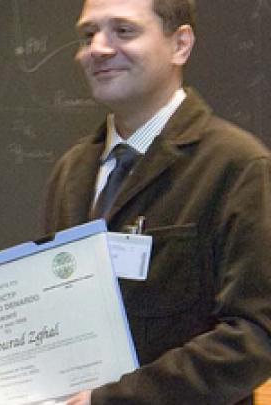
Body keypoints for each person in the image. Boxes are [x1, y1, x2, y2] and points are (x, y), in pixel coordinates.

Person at [49, 0, 271, 403]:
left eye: (123, 31)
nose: (98, 48)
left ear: (180, 45)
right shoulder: (71, 172)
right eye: (88, 34)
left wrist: (113, 400)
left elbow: (256, 335)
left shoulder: (237, 166)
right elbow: (53, 310)